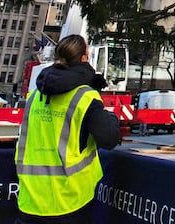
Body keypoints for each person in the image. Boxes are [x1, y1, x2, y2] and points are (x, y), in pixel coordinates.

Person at [16, 34, 121, 223]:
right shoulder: (85, 97)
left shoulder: (35, 96)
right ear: (84, 58)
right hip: (70, 199)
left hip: (30, 199)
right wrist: (111, 116)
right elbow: (109, 138)